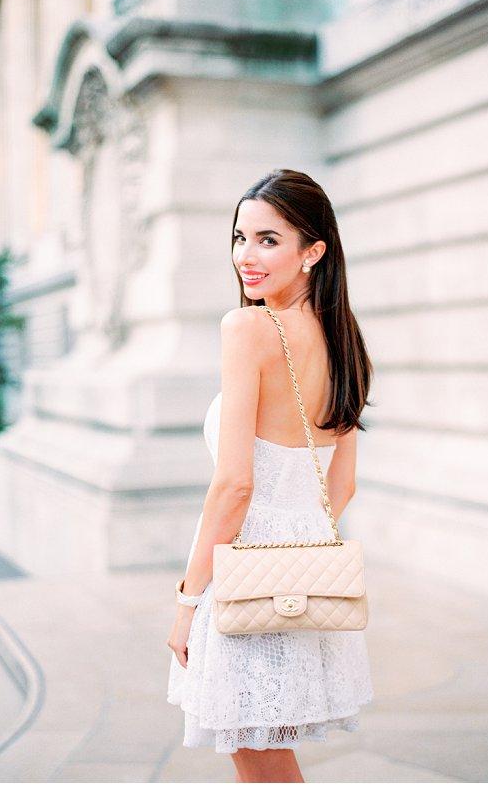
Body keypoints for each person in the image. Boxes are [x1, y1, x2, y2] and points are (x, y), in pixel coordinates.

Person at [166, 169, 374, 782]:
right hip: (301, 567)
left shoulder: (249, 329)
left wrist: (187, 602)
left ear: (314, 251)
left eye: (268, 240)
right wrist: (305, 543)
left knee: (260, 760)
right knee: (263, 754)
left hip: (244, 569)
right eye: (239, 238)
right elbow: (342, 484)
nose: (245, 257)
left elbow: (234, 484)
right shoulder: (345, 342)